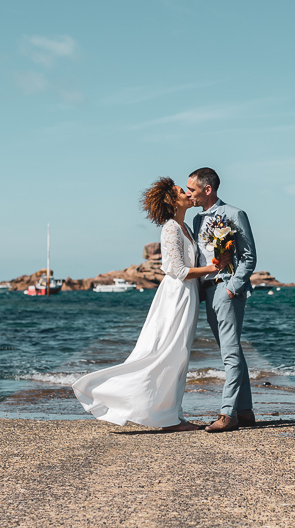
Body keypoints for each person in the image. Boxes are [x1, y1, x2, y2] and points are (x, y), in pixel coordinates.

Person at [71, 177, 229, 432]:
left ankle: (171, 416)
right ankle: (111, 394)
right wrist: (213, 268)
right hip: (175, 296)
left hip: (187, 296)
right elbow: (177, 270)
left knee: (179, 356)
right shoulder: (170, 228)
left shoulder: (185, 227)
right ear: (171, 200)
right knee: (165, 353)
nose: (188, 193)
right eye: (181, 191)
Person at [186, 167, 257, 433]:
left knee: (229, 352)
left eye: (191, 189)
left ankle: (228, 414)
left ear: (207, 189)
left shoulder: (234, 214)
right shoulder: (196, 220)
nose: (188, 193)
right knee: (231, 350)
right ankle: (245, 410)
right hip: (207, 291)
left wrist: (232, 288)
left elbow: (249, 256)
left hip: (226, 289)